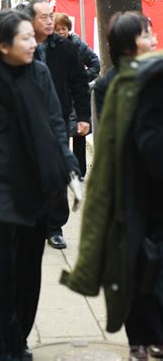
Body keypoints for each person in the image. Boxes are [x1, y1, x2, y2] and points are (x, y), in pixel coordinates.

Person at [0, 10, 81, 361]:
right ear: (3, 46)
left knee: (26, 272)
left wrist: (70, 172)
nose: (32, 42)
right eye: (24, 38)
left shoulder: (39, 73)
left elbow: (55, 124)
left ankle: (18, 335)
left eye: (31, 37)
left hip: (36, 186)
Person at [62, 49, 163, 361]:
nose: (154, 40)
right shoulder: (113, 85)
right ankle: (139, 341)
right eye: (146, 35)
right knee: (134, 265)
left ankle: (155, 337)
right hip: (131, 190)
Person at [27, 0, 91, 250]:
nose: (49, 20)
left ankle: (54, 227)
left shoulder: (64, 47)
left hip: (57, 120)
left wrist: (84, 117)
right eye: (43, 16)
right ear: (31, 20)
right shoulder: (22, 46)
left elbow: (79, 83)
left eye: (50, 16)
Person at [54, 12, 101, 179]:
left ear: (69, 29)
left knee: (80, 135)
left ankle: (80, 172)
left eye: (64, 29)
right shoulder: (49, 47)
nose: (61, 32)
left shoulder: (78, 45)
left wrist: (82, 80)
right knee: (63, 134)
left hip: (78, 97)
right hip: (60, 98)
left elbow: (95, 63)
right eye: (57, 29)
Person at [94, 11, 156, 120]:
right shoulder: (106, 86)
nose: (154, 42)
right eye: (146, 36)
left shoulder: (158, 72)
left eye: (152, 35)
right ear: (127, 47)